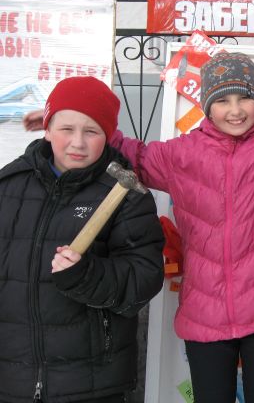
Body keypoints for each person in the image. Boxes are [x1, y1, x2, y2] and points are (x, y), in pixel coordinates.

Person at [25, 0, 254, 402]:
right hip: (207, 314)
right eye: (222, 100)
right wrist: (67, 121)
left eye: (244, 98)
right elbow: (128, 152)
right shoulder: (181, 156)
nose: (235, 110)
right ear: (207, 106)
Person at [1, 76, 165, 403]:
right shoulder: (8, 187)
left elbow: (144, 279)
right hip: (11, 378)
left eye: (91, 131)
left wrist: (86, 276)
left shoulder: (126, 196)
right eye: (66, 129)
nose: (78, 142)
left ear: (108, 136)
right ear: (47, 129)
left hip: (92, 381)